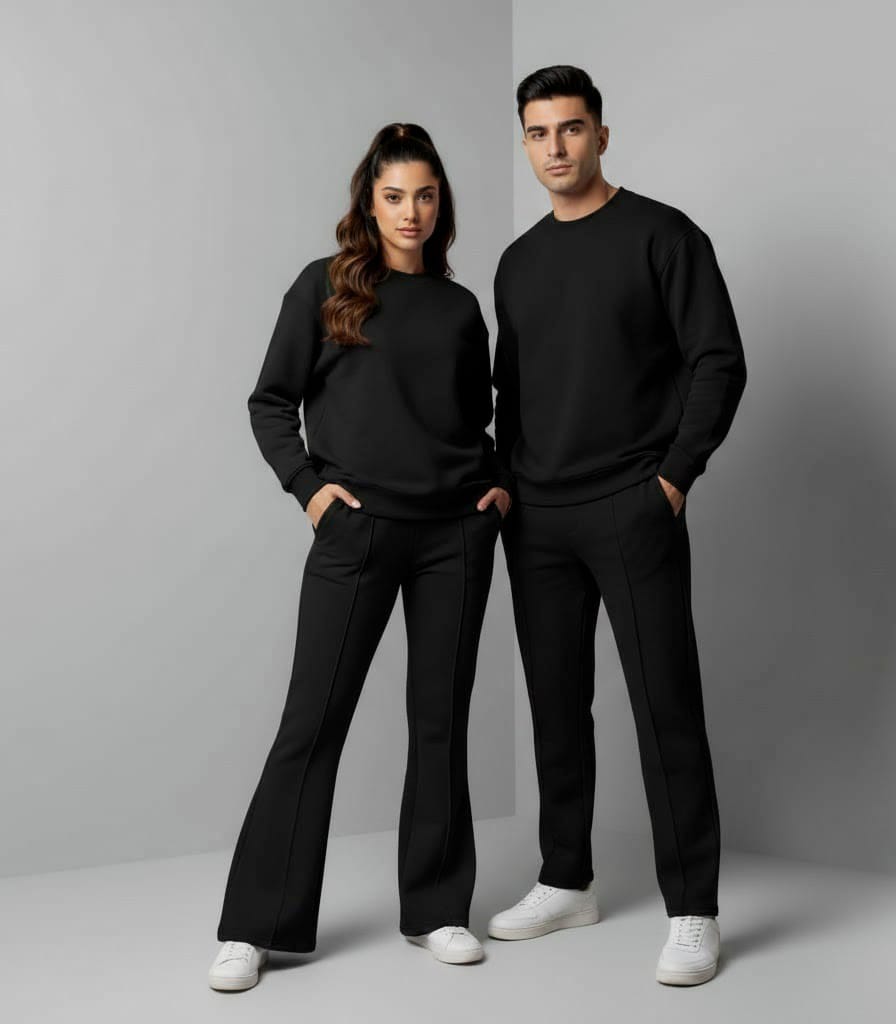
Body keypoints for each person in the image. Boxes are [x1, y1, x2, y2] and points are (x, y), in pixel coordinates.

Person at [209, 123, 512, 991]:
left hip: (454, 536)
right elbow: (271, 402)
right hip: (359, 531)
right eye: (394, 196)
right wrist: (309, 490)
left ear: (441, 202)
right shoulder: (325, 285)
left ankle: (439, 909)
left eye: (425, 195)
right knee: (311, 723)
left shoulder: (460, 309)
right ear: (369, 203)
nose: (411, 212)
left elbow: (474, 419)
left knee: (440, 722)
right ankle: (253, 927)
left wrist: (497, 486)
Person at [487, 66, 747, 987]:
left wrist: (671, 480)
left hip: (634, 505)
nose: (554, 147)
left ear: (601, 134)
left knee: (665, 707)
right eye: (538, 132)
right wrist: (508, 488)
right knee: (556, 707)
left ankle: (693, 909)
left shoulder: (664, 236)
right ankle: (566, 880)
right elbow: (511, 392)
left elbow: (718, 362)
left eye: (570, 128)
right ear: (525, 143)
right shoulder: (517, 263)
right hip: (538, 518)